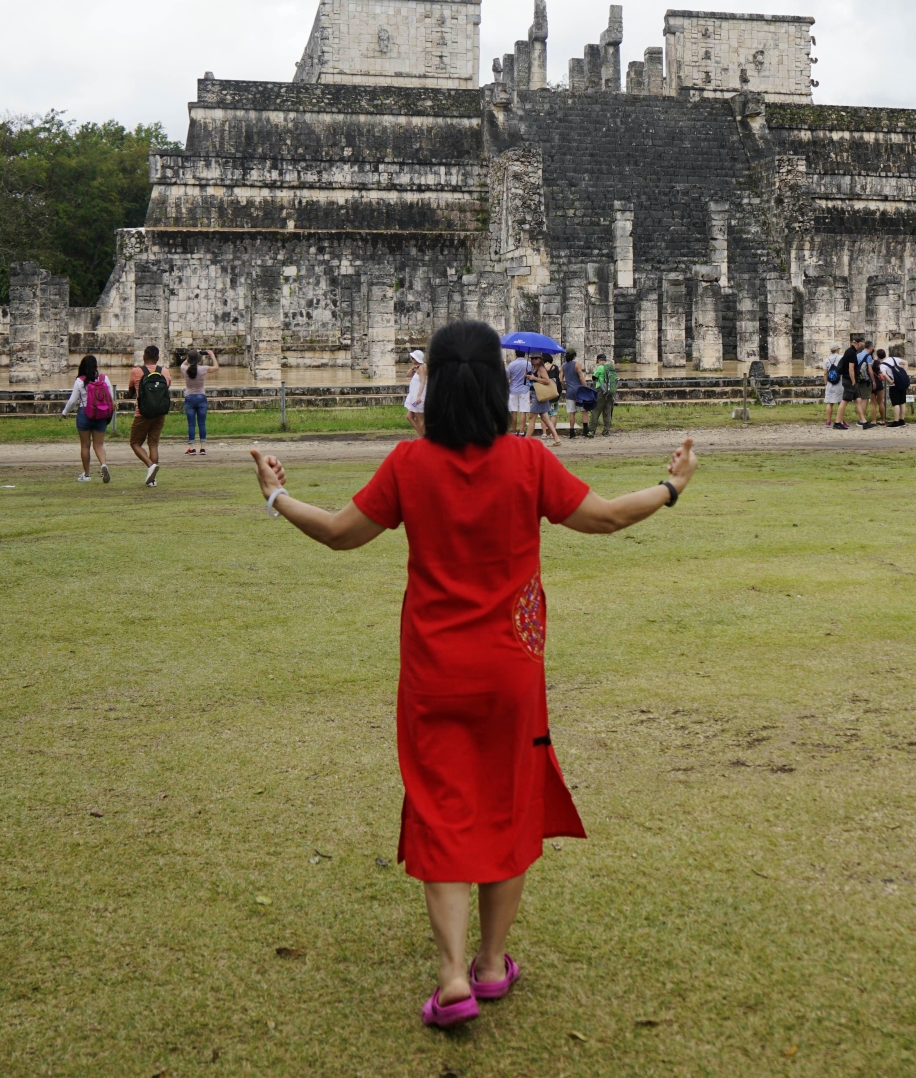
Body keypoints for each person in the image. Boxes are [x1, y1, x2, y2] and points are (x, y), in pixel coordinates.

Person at [247, 319, 699, 1029]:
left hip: (434, 672)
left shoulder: (408, 466)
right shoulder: (527, 464)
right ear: (496, 385)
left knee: (441, 808)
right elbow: (608, 519)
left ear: (433, 388)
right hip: (511, 670)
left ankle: (452, 972)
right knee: (507, 804)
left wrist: (276, 497)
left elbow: (338, 532)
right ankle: (491, 963)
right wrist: (671, 487)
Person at [61, 354, 114, 482]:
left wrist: (65, 412)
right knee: (99, 445)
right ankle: (103, 465)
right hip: (101, 414)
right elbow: (111, 397)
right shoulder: (104, 379)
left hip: (85, 413)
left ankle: (87, 474)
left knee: (85, 445)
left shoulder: (80, 381)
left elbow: (73, 400)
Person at [125, 344, 170, 485]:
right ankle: (153, 480)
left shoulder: (136, 372)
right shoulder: (165, 372)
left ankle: (151, 466)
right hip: (159, 413)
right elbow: (166, 387)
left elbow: (131, 390)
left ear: (144, 357)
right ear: (157, 358)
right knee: (153, 444)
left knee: (135, 443)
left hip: (142, 414)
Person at [178, 348, 217, 454]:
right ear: (199, 360)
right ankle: (203, 447)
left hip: (189, 397)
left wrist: (193, 355)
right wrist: (212, 356)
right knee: (202, 423)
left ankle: (191, 447)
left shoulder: (184, 369)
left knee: (191, 424)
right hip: (201, 397)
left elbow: (184, 363)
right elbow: (216, 367)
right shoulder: (203, 369)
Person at [529, 354, 561, 445]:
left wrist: (534, 378)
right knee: (545, 418)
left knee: (532, 418)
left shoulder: (541, 368)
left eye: (536, 358)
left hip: (539, 396)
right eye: (532, 358)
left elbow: (547, 380)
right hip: (537, 395)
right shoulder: (534, 368)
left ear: (540, 359)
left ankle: (526, 440)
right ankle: (556, 438)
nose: (534, 360)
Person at [560, 348, 586, 439]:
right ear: (574, 355)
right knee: (584, 410)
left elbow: (561, 380)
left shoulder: (563, 366)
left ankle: (572, 432)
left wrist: (566, 387)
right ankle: (585, 431)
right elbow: (581, 377)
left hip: (570, 391)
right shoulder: (577, 364)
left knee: (572, 412)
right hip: (579, 390)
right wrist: (586, 387)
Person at [505, 349, 532, 436]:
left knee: (514, 411)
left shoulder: (511, 364)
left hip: (513, 389)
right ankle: (521, 431)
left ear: (516, 354)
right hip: (524, 389)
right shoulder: (529, 364)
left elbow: (507, 377)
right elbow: (530, 376)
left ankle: (513, 431)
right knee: (523, 411)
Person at [590, 352, 616, 437]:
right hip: (610, 393)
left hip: (601, 392)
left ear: (600, 360)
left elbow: (594, 378)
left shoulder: (600, 368)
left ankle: (591, 431)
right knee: (607, 412)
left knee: (595, 411)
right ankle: (606, 431)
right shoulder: (611, 367)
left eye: (597, 360)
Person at [404, 349, 427, 440]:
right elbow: (407, 375)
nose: (411, 360)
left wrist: (418, 396)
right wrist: (412, 368)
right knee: (409, 416)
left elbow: (423, 382)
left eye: (412, 358)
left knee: (420, 419)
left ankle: (423, 439)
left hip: (418, 398)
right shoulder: (417, 367)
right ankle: (423, 437)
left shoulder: (422, 368)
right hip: (413, 397)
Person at [822, 347, 846, 430]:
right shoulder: (841, 358)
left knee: (829, 403)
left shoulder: (826, 360)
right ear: (837, 350)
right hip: (839, 382)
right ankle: (841, 421)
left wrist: (826, 383)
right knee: (840, 402)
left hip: (830, 382)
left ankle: (828, 421)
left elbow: (825, 373)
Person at [886, 352, 911, 426]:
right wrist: (904, 375)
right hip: (902, 383)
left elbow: (884, 374)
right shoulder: (895, 359)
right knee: (902, 402)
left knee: (896, 404)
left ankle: (896, 422)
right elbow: (906, 362)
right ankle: (902, 420)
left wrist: (890, 381)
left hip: (894, 384)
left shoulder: (884, 364)